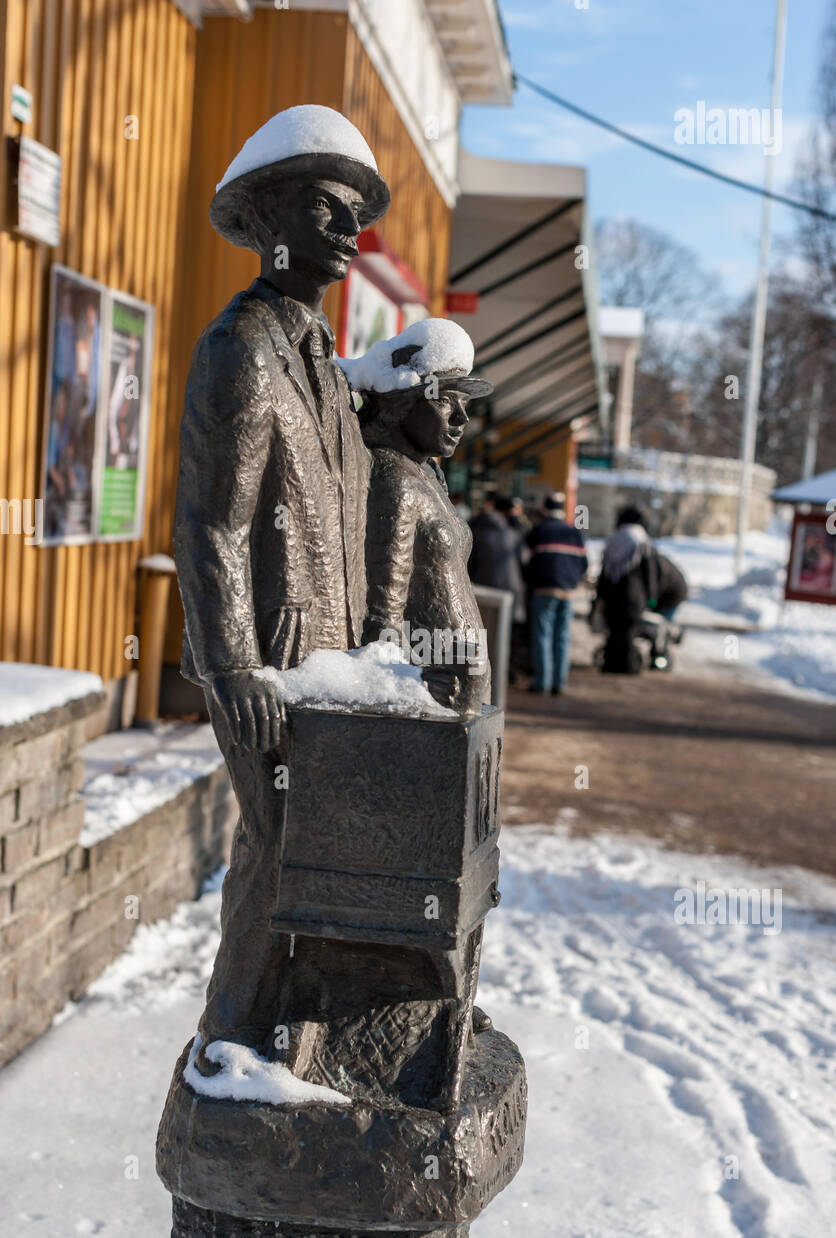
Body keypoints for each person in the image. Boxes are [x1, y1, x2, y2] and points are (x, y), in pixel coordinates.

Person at [173, 105, 390, 1075]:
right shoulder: (242, 346)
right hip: (267, 665)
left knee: (314, 856)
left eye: (353, 211)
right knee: (272, 851)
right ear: (270, 217)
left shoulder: (330, 377)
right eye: (323, 205)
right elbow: (211, 524)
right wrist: (232, 665)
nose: (348, 230)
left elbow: (344, 534)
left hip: (331, 665)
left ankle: (284, 1035)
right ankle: (230, 1045)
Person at [342, 319, 493, 715]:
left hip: (452, 685)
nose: (461, 418)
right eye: (444, 400)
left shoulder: (424, 474)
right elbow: (381, 612)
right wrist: (394, 684)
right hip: (430, 687)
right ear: (401, 402)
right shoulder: (393, 480)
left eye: (465, 404)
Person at [524, 492, 587, 694]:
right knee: (562, 636)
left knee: (543, 635)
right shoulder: (574, 533)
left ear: (545, 509)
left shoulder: (538, 531)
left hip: (543, 589)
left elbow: (526, 560)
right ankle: (559, 683)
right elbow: (584, 565)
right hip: (568, 591)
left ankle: (542, 682)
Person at [468, 494, 526, 679]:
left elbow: (469, 564)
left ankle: (483, 674)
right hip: (513, 594)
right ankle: (506, 671)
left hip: (485, 594)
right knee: (508, 636)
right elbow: (525, 561)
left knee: (482, 636)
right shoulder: (513, 534)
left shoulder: (475, 531)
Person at [596, 504, 657, 674]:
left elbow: (604, 571)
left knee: (613, 632)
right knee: (629, 634)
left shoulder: (613, 539)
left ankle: (610, 664)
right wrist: (651, 597)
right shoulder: (641, 540)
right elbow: (649, 573)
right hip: (634, 597)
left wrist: (599, 596)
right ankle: (628, 667)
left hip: (612, 595)